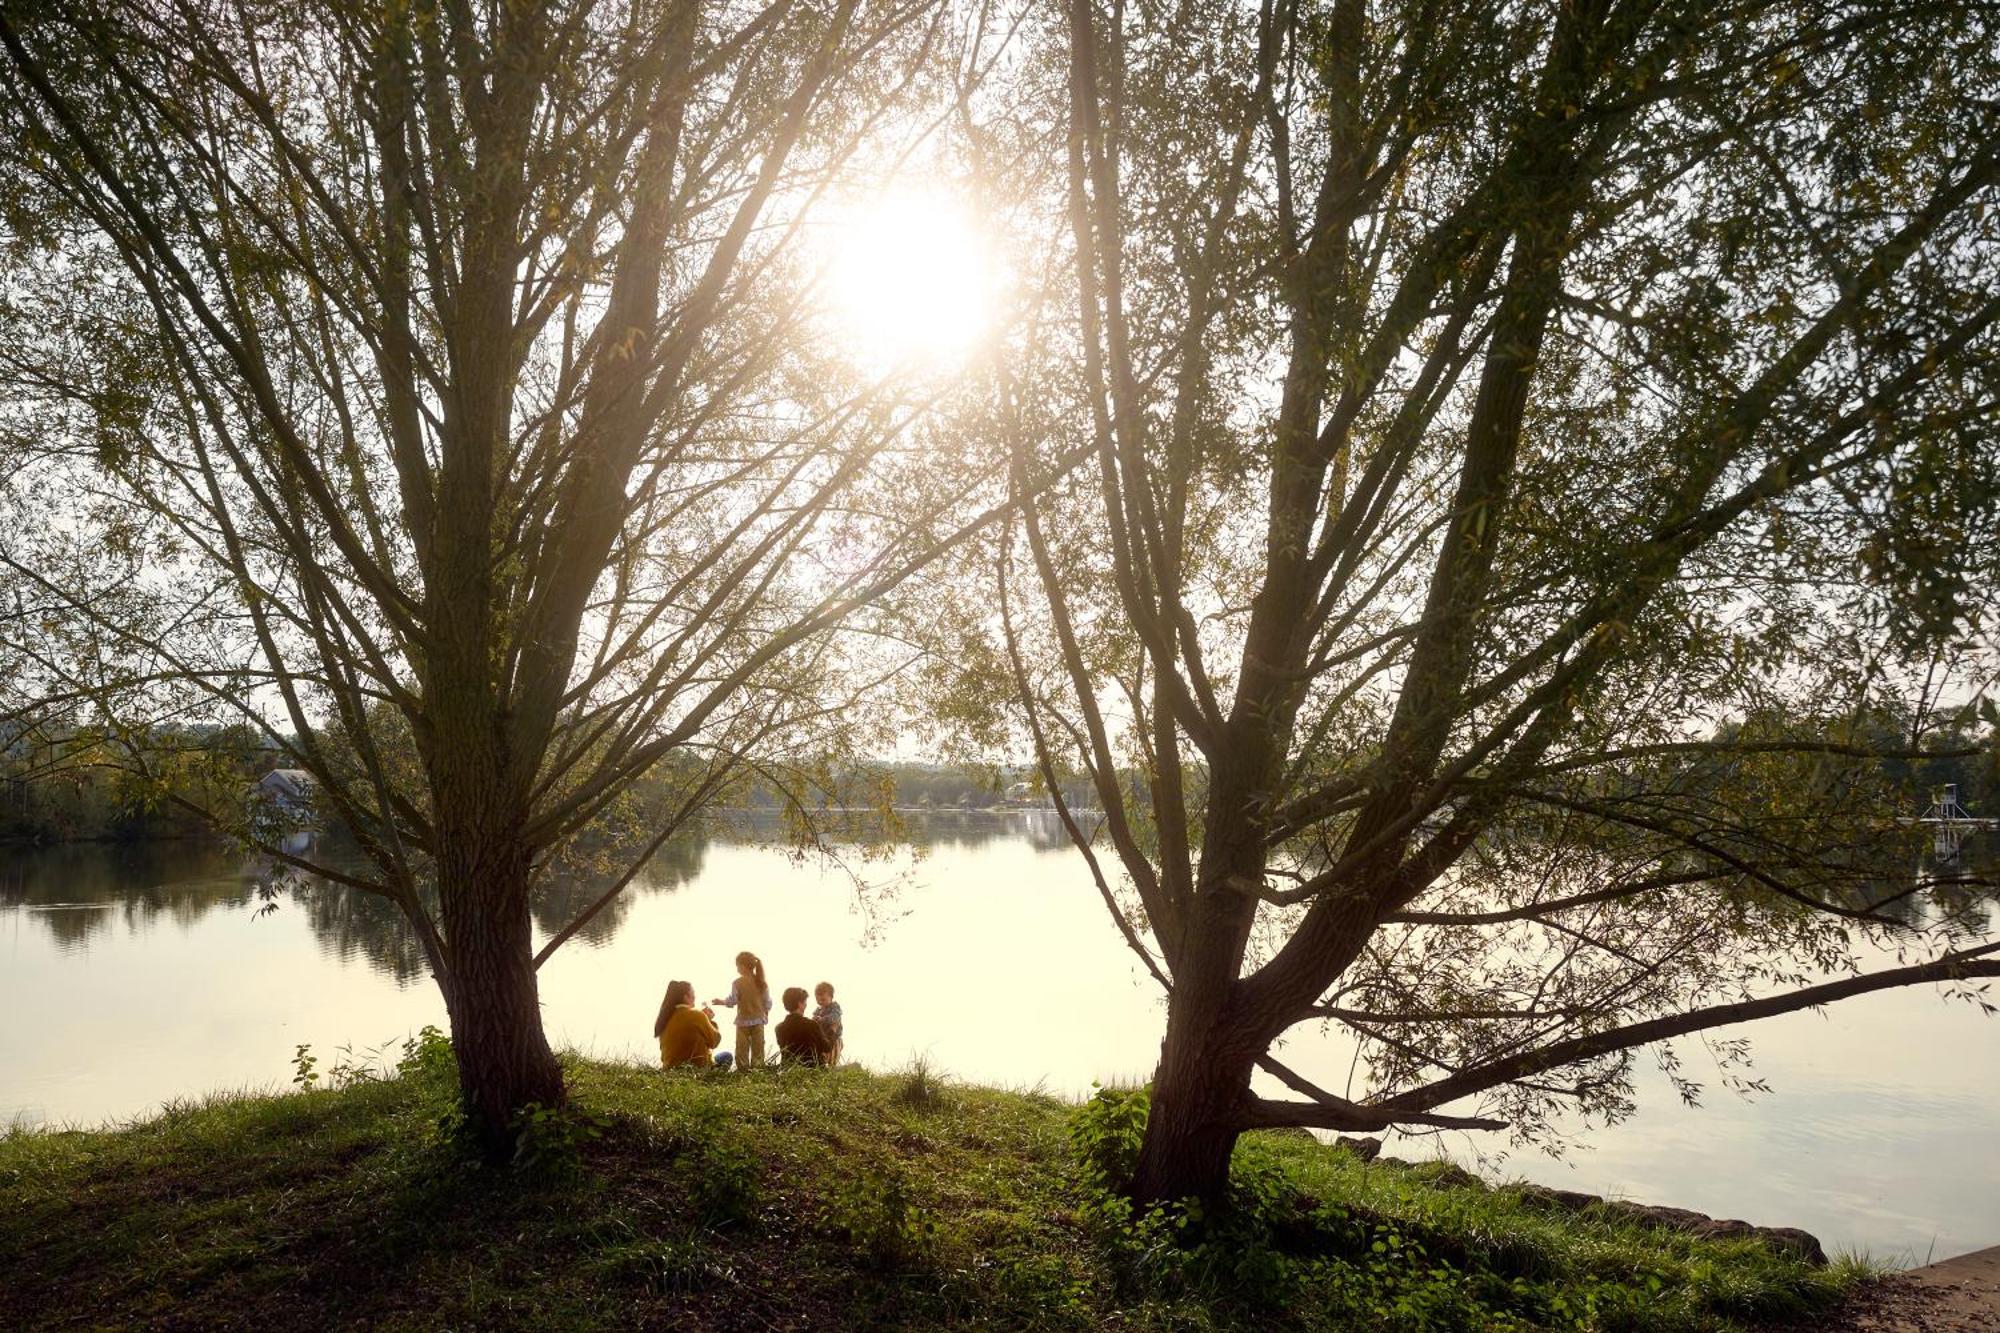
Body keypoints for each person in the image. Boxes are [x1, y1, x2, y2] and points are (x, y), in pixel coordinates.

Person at [711, 950, 772, 1070]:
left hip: (742, 1021)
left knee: (741, 1049)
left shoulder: (737, 983)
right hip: (759, 1020)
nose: (737, 969)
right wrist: (765, 1013)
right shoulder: (761, 983)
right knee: (758, 1049)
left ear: (743, 966)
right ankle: (757, 1072)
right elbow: (767, 1002)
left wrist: (721, 1002)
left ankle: (743, 1072)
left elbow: (732, 1000)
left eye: (737, 966)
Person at [654, 979, 720, 1070]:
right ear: (685, 997)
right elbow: (715, 1041)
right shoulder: (697, 1015)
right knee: (727, 1056)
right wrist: (709, 1021)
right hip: (695, 1070)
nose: (695, 996)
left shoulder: (665, 1018)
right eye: (693, 993)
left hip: (670, 1070)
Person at [774, 986, 835, 1067]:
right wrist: (833, 1029)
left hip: (789, 1071)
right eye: (805, 1001)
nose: (806, 1004)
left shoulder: (779, 1028)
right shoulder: (811, 1025)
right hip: (813, 1071)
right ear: (800, 1004)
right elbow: (827, 1048)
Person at [812, 980, 844, 1067]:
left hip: (835, 1039)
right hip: (823, 1038)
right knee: (822, 1056)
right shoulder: (818, 1011)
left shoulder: (834, 1007)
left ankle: (832, 1069)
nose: (820, 1002)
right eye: (818, 1000)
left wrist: (822, 1019)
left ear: (831, 997)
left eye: (823, 999)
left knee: (832, 1057)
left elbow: (835, 1017)